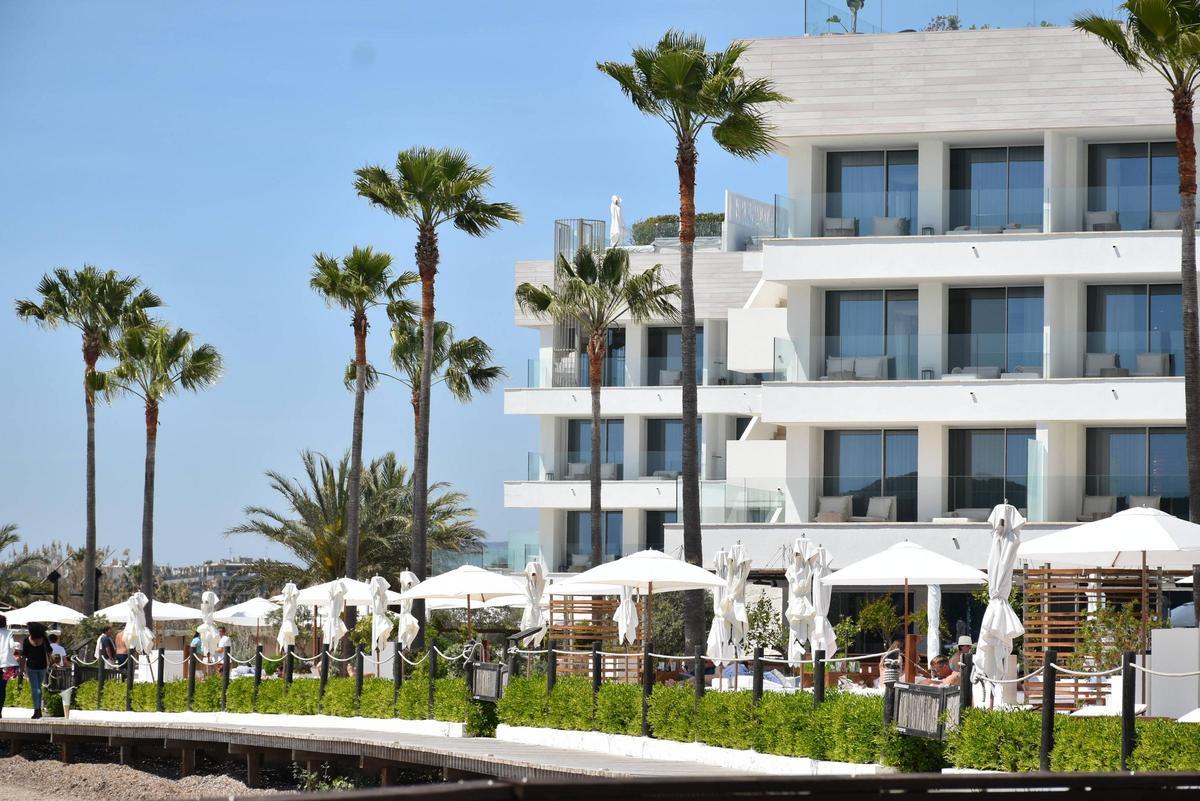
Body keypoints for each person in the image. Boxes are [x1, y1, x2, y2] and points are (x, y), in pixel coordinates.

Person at [19, 622, 53, 719]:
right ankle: (37, 709)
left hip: (35, 667)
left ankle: (37, 710)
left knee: (36, 689)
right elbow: (50, 651)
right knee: (37, 689)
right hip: (37, 667)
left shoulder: (27, 640)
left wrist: (21, 670)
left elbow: (23, 656)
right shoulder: (44, 639)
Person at [0, 615, 19, 719]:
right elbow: (12, 646)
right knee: (2, 688)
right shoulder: (9, 633)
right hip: (6, 665)